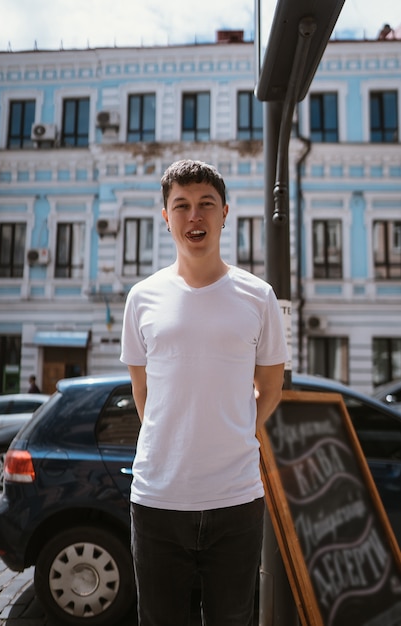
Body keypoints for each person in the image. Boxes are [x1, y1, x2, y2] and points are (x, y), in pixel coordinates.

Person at [120, 159, 289, 626]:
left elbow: (270, 387)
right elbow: (142, 391)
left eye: (206, 205)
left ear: (224, 213)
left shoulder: (259, 297)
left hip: (236, 500)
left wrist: (235, 431)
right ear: (166, 216)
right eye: (182, 206)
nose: (194, 216)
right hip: (157, 500)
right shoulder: (142, 298)